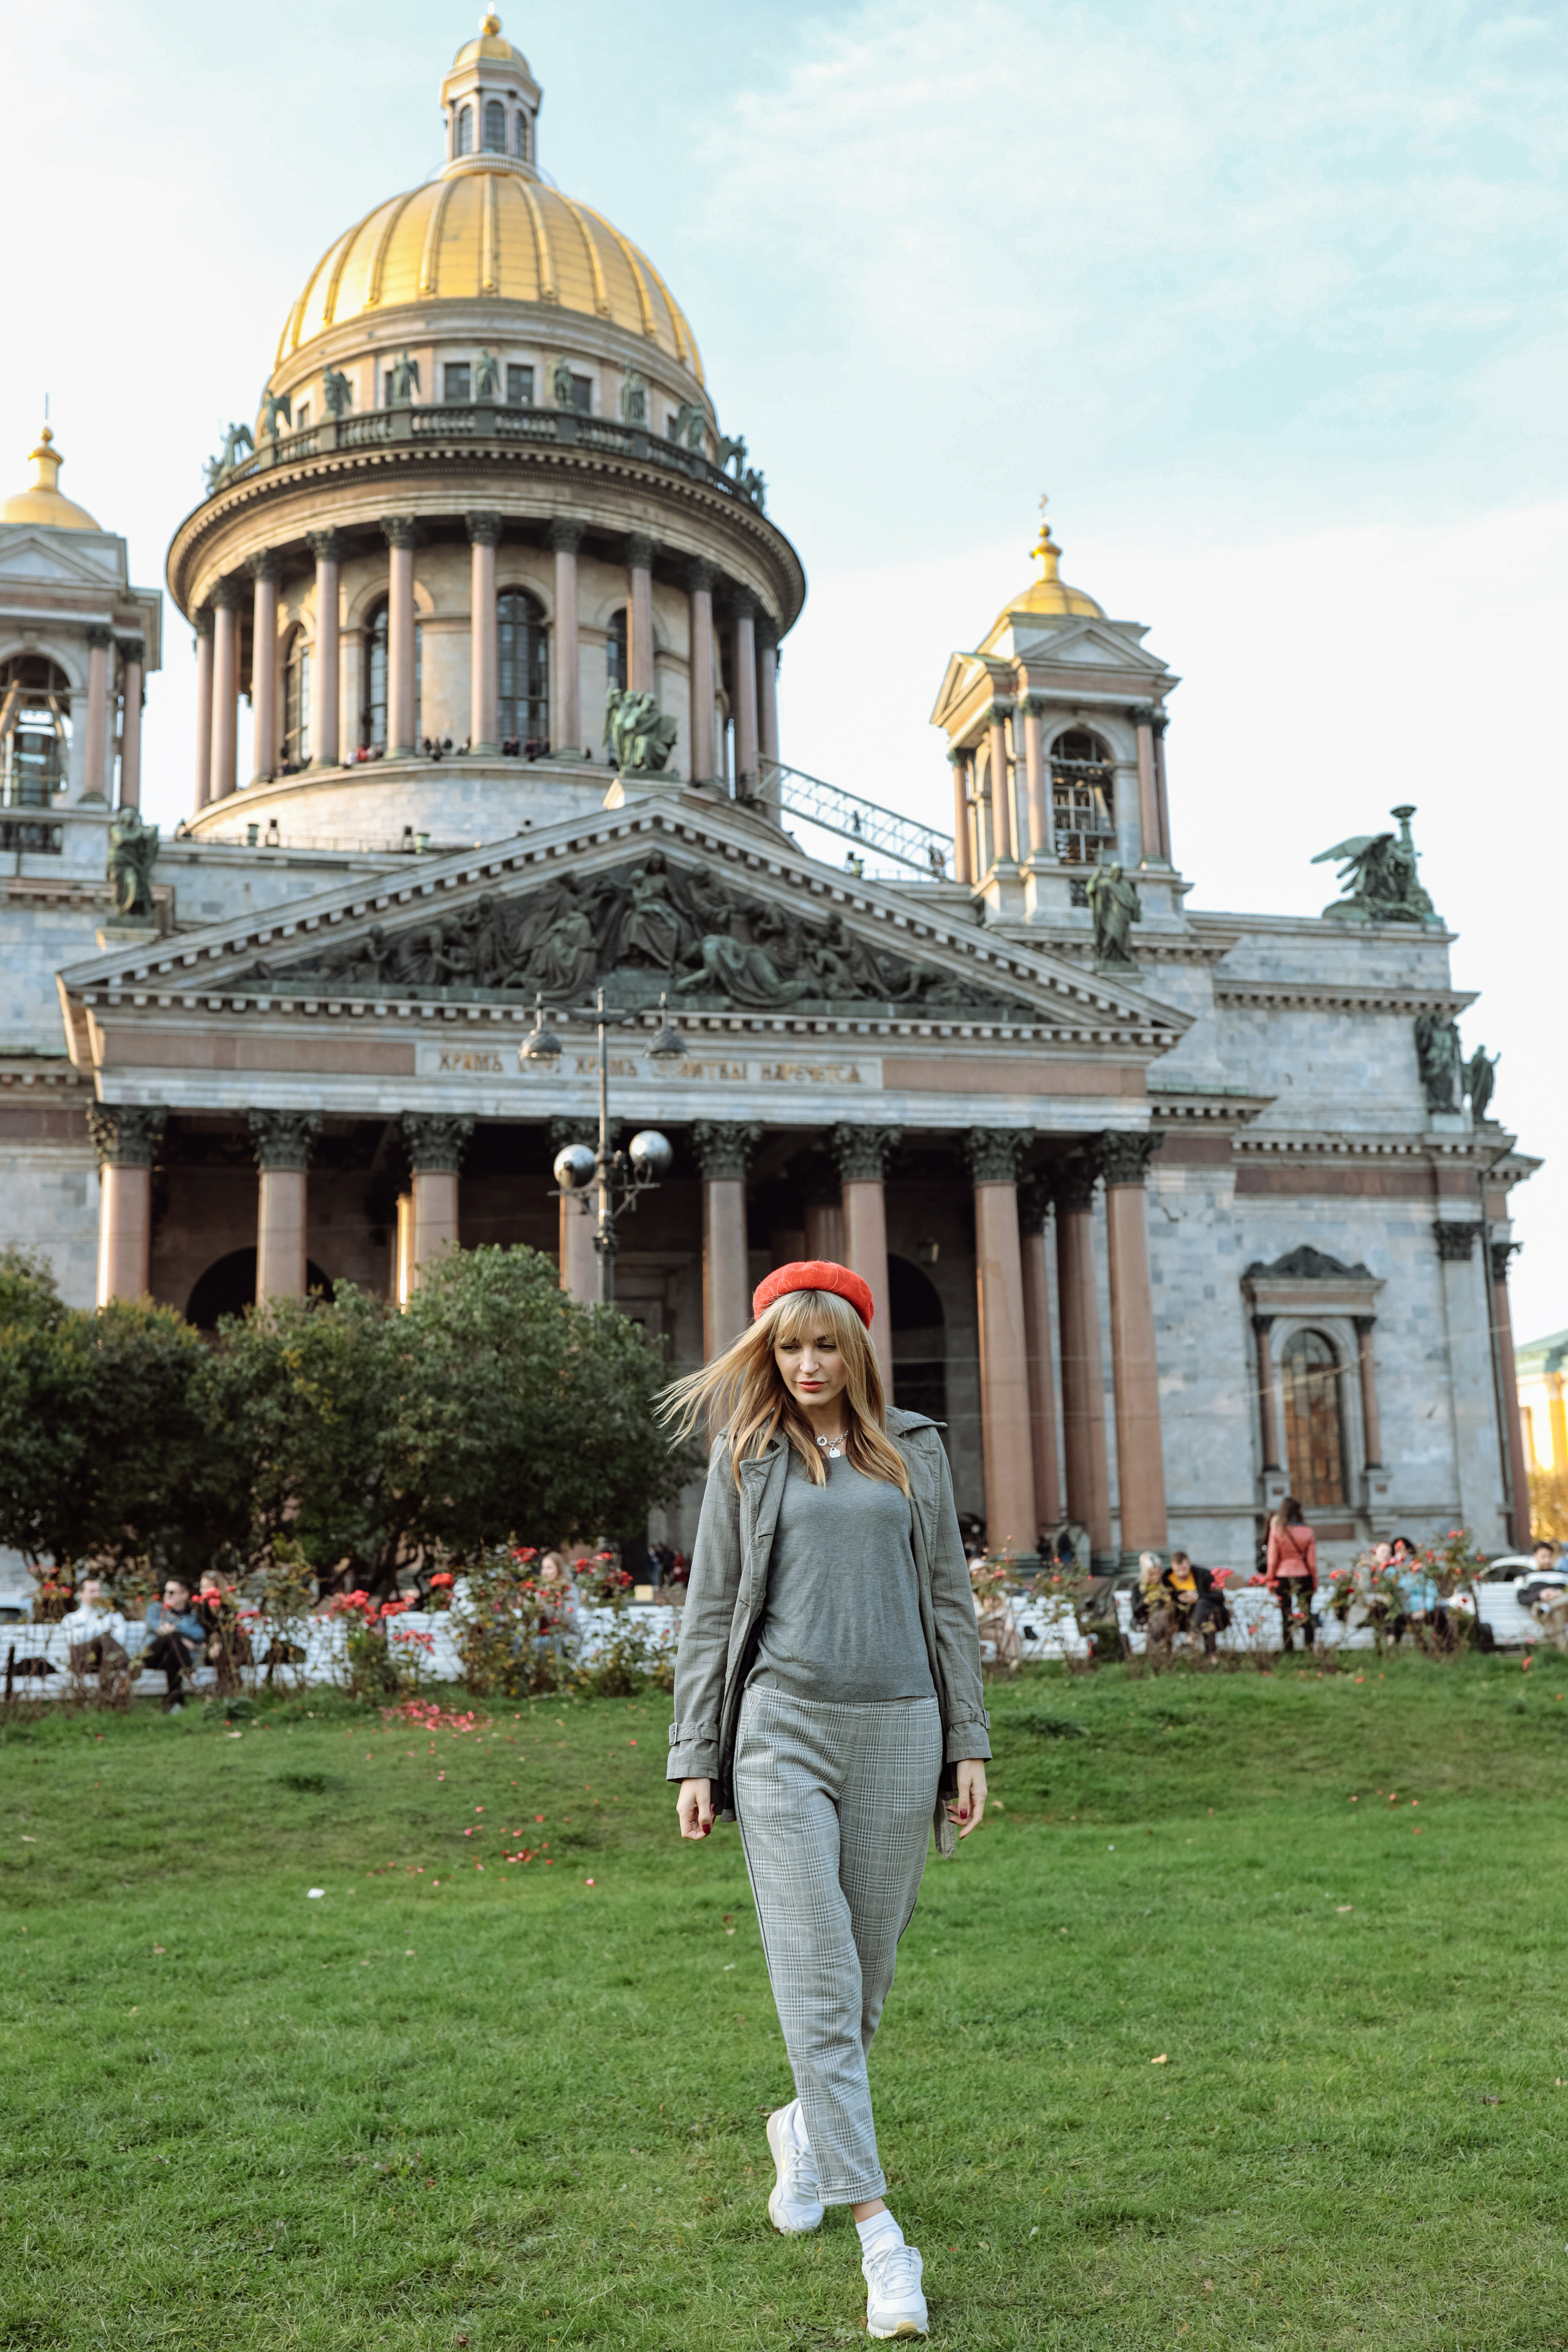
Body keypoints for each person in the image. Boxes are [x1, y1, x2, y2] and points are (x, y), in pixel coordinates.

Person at [662, 1259, 989, 2342]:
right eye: (789, 1348)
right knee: (817, 1985)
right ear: (769, 1354)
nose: (807, 1365)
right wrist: (696, 1756)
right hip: (781, 1734)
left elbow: (949, 1601)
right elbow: (712, 1613)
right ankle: (882, 2238)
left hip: (901, 1729)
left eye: (825, 1346)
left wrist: (968, 1740)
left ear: (857, 1353)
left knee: (865, 1987)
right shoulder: (747, 1456)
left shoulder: (916, 1452)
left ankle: (802, 2129)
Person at [142, 1579, 205, 1712]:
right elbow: (150, 1623)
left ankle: (173, 1704)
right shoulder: (156, 1608)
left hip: (171, 1659)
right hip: (151, 1656)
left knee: (171, 1652)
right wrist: (177, 1636)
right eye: (165, 1592)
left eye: (171, 1592)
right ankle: (193, 1675)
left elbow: (200, 1634)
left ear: (184, 1595)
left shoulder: (191, 1615)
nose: (167, 1595)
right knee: (170, 1638)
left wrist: (176, 1629)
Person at [1265, 1499, 1318, 1651]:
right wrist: (1314, 1581)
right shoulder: (1307, 1531)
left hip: (1282, 1576)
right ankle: (1309, 1646)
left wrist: (1270, 1579)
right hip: (1304, 1575)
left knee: (1285, 1613)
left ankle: (1289, 1648)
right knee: (1306, 1612)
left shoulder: (1277, 1531)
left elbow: (1272, 1560)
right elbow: (1312, 1563)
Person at [60, 1575, 129, 1687]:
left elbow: (118, 1642)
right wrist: (102, 1634)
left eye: (99, 1591)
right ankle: (128, 1668)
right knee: (104, 1637)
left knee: (106, 1641)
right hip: (82, 1661)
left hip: (105, 1660)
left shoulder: (113, 1616)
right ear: (80, 1594)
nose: (97, 1595)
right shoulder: (70, 1619)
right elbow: (75, 1642)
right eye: (92, 1591)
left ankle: (107, 1687)